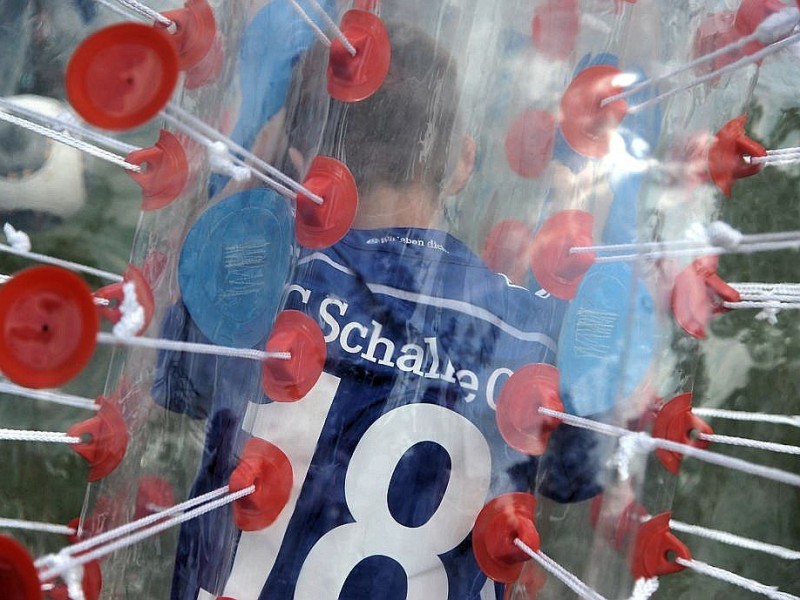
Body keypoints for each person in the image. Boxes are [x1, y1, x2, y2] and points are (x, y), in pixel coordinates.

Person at [183, 20, 603, 600]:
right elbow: (583, 469)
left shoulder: (267, 285)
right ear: (462, 162)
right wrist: (572, 208)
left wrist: (259, 163)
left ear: (304, 164)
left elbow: (178, 380)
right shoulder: (530, 332)